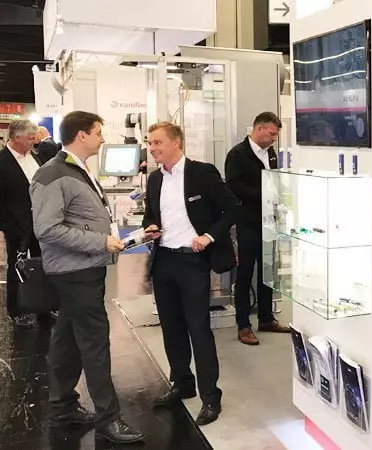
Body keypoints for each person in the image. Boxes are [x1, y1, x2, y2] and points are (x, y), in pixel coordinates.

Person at [30, 111, 144, 444]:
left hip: (82, 269)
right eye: (98, 132)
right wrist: (100, 242)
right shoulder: (52, 174)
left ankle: (63, 407)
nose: (102, 139)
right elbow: (47, 229)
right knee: (95, 344)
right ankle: (109, 419)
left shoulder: (75, 169)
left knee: (66, 340)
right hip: (75, 272)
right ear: (81, 135)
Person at [142, 121, 240, 426]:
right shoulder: (155, 179)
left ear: (176, 142)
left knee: (198, 329)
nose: (153, 148)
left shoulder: (202, 173)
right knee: (171, 329)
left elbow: (232, 208)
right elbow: (150, 214)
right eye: (150, 143)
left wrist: (209, 236)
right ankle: (182, 383)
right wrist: (150, 226)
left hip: (193, 263)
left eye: (158, 142)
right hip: (163, 261)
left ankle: (211, 396)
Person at [224, 112, 291, 345]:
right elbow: (233, 187)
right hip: (247, 222)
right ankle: (243, 325)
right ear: (259, 128)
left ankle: (266, 318)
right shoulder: (237, 155)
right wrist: (264, 194)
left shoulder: (270, 153)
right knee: (245, 274)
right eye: (271, 134)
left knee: (268, 273)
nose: (274, 138)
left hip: (269, 222)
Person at [0, 120, 50, 328]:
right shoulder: (3, 161)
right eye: (30, 138)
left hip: (41, 221)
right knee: (16, 265)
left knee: (43, 262)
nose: (34, 142)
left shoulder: (35, 157)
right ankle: (16, 310)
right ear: (16, 137)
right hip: (17, 224)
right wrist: (7, 225)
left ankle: (44, 306)